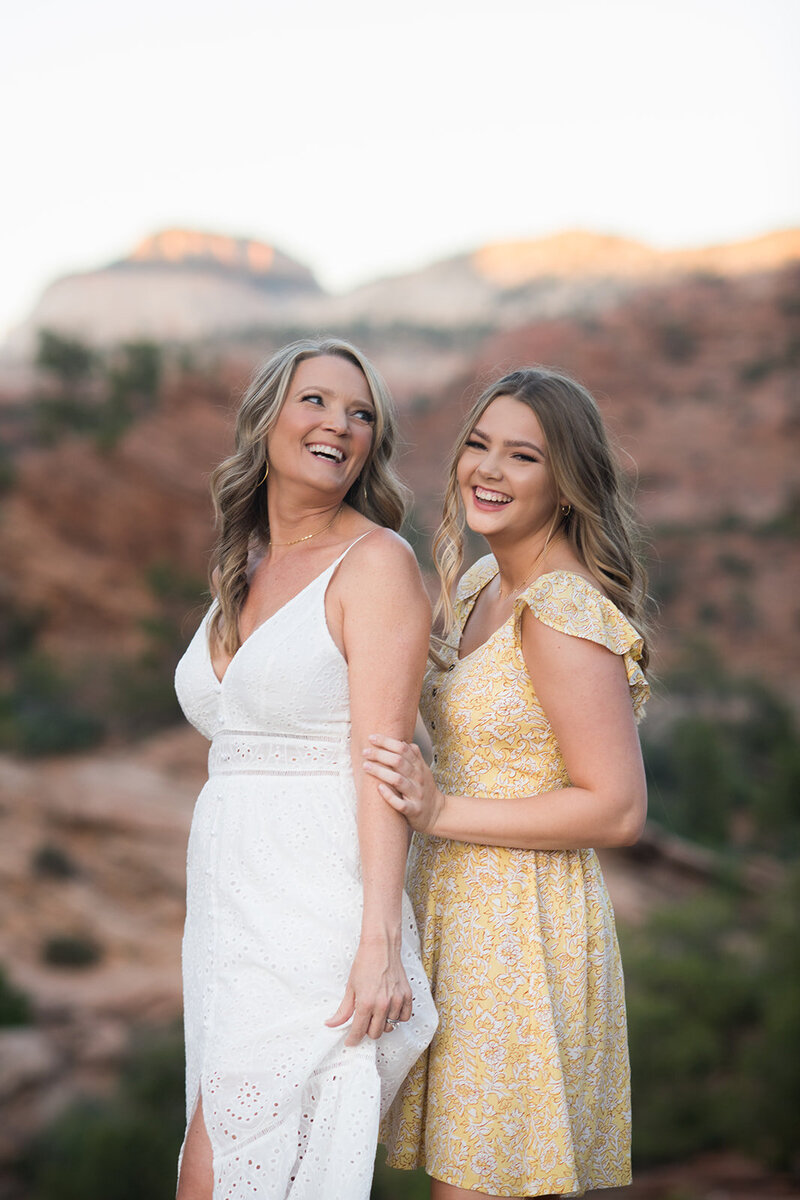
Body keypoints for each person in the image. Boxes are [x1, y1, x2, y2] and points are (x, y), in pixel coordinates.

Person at [365, 367, 650, 1199]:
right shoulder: (485, 585)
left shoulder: (559, 610)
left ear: (566, 484)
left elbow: (619, 806)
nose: (488, 470)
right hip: (460, 912)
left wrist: (441, 807)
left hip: (521, 931)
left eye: (521, 456)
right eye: (478, 446)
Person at [173, 337, 437, 1200]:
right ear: (268, 419)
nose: (341, 425)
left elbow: (383, 763)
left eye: (362, 415)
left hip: (317, 908)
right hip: (228, 908)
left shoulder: (378, 566)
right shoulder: (241, 563)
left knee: (221, 1174)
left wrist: (379, 945)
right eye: (317, 401)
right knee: (219, 1165)